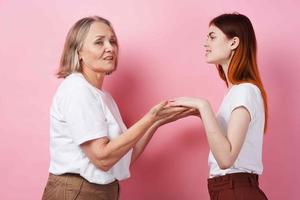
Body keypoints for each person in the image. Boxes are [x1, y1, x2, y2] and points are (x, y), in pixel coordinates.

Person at [42, 16, 195, 200]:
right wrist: (150, 118)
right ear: (79, 52)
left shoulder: (104, 97)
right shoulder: (77, 89)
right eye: (99, 42)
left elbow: (123, 158)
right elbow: (103, 158)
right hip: (77, 192)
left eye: (112, 41)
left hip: (102, 192)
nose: (110, 47)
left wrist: (157, 121)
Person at [169, 13, 268, 199]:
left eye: (212, 37)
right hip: (227, 189)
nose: (205, 44)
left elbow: (226, 158)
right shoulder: (236, 93)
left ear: (233, 42)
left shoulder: (245, 91)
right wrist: (202, 114)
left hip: (235, 189)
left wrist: (203, 105)